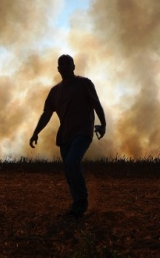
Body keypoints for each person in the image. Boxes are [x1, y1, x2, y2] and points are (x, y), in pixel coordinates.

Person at [29, 54, 107, 220]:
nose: (64, 67)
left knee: (72, 162)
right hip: (65, 136)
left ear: (73, 66)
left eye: (68, 63)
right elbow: (46, 114)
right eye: (61, 64)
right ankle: (76, 204)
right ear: (58, 69)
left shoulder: (84, 83)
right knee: (69, 170)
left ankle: (82, 202)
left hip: (83, 132)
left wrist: (103, 124)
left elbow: (96, 103)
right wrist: (36, 132)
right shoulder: (55, 91)